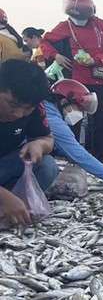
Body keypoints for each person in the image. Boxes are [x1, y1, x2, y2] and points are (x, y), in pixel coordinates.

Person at [40, 0, 103, 162]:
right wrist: (56, 56)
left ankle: (97, 159)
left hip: (100, 80)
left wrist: (96, 60)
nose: (78, 22)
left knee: (99, 123)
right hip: (76, 82)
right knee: (73, 120)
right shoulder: (64, 26)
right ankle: (74, 159)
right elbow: (44, 41)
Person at [0, 59, 59, 224]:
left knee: (47, 164)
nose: (18, 114)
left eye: (27, 108)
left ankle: (17, 212)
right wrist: (4, 197)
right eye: (12, 104)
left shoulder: (35, 108)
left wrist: (39, 144)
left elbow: (48, 139)